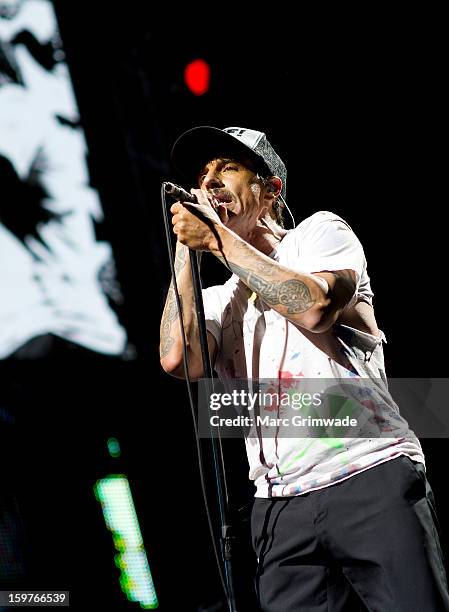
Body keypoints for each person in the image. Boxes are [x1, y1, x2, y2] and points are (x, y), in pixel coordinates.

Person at [160, 126, 449, 611]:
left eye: (227, 168)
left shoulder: (319, 235)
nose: (209, 183)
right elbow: (178, 359)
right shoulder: (217, 301)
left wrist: (217, 241)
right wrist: (187, 254)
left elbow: (315, 308)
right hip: (278, 507)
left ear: (270, 190)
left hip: (368, 470)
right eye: (203, 173)